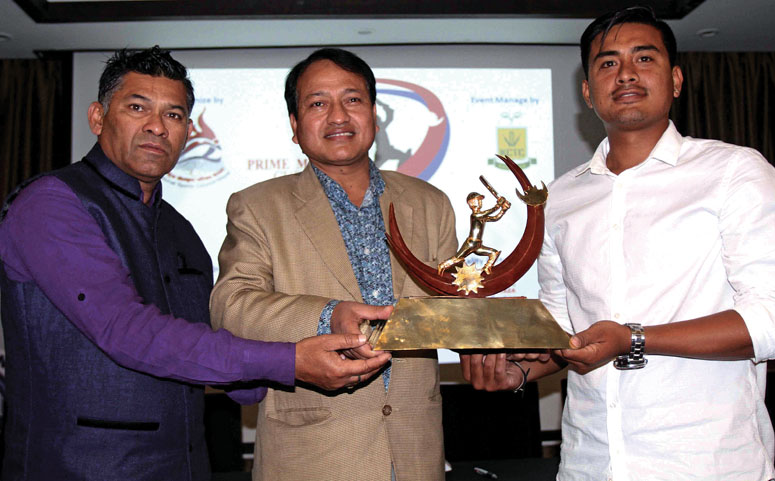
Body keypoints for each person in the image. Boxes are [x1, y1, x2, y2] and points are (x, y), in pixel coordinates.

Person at [0, 46, 390, 481]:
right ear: (97, 118)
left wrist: (311, 357)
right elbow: (125, 330)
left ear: (188, 130)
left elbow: (208, 340)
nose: (156, 126)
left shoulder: (180, 230)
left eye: (174, 115)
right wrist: (289, 361)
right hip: (81, 467)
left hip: (185, 463)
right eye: (137, 107)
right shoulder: (52, 204)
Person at [461, 7, 775, 480]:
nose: (625, 74)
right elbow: (564, 329)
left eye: (644, 58)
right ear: (587, 92)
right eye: (607, 63)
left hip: (709, 464)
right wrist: (518, 368)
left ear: (676, 79)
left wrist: (634, 338)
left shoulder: (737, 173)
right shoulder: (559, 198)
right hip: (590, 463)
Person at [210, 47, 457, 481]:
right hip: (310, 457)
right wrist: (327, 316)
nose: (338, 116)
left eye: (353, 99)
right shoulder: (257, 206)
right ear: (294, 125)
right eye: (318, 103)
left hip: (417, 453)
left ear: (375, 115)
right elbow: (231, 306)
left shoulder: (431, 204)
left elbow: (454, 308)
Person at [438, 191, 510, 275]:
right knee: (457, 258)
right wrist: (498, 205)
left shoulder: (482, 216)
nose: (480, 202)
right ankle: (442, 266)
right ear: (471, 203)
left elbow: (495, 218)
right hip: (471, 244)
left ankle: (487, 268)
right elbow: (488, 212)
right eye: (478, 200)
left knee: (494, 253)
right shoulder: (476, 215)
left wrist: (503, 210)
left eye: (480, 200)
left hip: (478, 245)